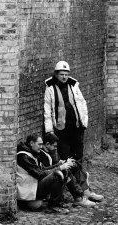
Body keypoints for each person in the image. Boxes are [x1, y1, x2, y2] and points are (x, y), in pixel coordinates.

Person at [44, 61, 103, 202]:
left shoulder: (74, 85)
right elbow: (47, 111)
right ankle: (78, 194)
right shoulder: (50, 88)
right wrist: (49, 131)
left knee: (78, 161)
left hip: (76, 130)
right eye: (61, 74)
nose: (64, 77)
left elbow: (82, 104)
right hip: (61, 132)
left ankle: (86, 191)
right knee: (68, 161)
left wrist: (84, 123)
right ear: (56, 74)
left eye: (66, 74)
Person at [16, 133, 75, 213]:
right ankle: (54, 206)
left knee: (62, 170)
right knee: (56, 175)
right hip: (29, 191)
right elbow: (40, 174)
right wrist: (59, 168)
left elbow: (43, 170)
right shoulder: (24, 157)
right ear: (31, 143)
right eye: (39, 144)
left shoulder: (31, 153)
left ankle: (72, 198)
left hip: (33, 187)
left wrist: (59, 165)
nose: (41, 147)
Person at [42, 132, 96, 208]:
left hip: (52, 177)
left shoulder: (49, 152)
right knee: (66, 170)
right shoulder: (41, 154)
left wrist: (62, 163)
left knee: (73, 164)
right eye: (54, 146)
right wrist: (61, 166)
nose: (55, 148)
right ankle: (79, 196)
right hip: (47, 183)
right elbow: (46, 172)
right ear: (47, 144)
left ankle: (86, 191)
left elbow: (52, 166)